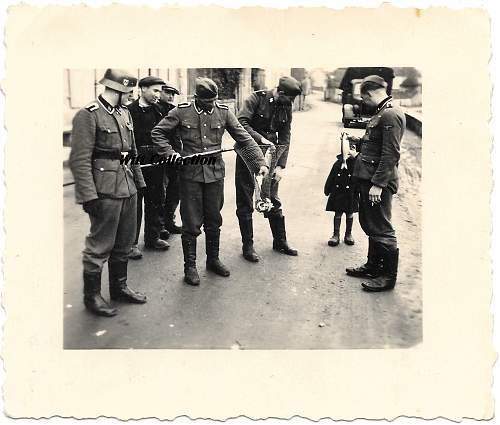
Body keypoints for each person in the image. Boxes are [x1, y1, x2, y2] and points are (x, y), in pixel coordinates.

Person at [151, 77, 269, 286]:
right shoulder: (181, 111)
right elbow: (158, 132)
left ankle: (213, 260)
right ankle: (190, 266)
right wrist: (170, 153)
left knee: (214, 220)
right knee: (191, 222)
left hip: (215, 175)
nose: (211, 105)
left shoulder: (223, 111)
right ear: (197, 98)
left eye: (214, 101)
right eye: (207, 102)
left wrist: (260, 161)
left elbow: (243, 137)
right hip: (190, 176)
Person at [69, 69, 147, 317]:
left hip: (128, 187)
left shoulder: (124, 113)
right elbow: (79, 160)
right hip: (104, 191)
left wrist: (140, 183)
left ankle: (119, 287)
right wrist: (88, 196)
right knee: (100, 246)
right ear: (117, 90)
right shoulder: (88, 114)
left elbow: (131, 153)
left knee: (124, 243)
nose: (132, 97)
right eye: (130, 93)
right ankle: (92, 296)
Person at [345, 75, 405, 292]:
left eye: (363, 97)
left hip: (377, 181)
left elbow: (391, 154)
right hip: (369, 178)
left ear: (370, 93)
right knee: (371, 224)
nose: (364, 102)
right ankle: (373, 266)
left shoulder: (390, 113)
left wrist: (378, 184)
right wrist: (359, 142)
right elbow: (377, 143)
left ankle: (387, 278)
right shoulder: (384, 111)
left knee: (381, 227)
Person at [236, 76, 302, 262]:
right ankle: (248, 246)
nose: (290, 103)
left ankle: (280, 241)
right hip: (247, 153)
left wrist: (281, 165)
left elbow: (286, 135)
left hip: (270, 156)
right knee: (245, 199)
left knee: (271, 197)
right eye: (289, 99)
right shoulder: (256, 99)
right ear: (280, 92)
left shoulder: (286, 105)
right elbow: (241, 123)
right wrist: (261, 139)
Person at [127, 76, 170, 260]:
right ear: (142, 89)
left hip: (156, 162)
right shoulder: (129, 111)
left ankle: (152, 238)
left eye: (160, 91)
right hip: (136, 162)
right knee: (135, 205)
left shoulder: (160, 110)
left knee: (156, 200)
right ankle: (131, 244)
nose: (158, 94)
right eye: (155, 90)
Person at [158, 82, 183, 235]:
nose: (171, 96)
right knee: (160, 192)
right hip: (160, 156)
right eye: (167, 92)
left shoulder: (173, 110)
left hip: (175, 156)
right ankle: (159, 226)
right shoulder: (154, 109)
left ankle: (169, 221)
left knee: (175, 190)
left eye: (173, 94)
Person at [324, 150, 358, 246]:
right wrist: (327, 189)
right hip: (338, 193)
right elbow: (331, 176)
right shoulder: (338, 163)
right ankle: (336, 235)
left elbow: (360, 178)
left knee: (349, 214)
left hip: (351, 193)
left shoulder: (356, 164)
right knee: (338, 213)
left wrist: (359, 191)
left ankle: (348, 234)